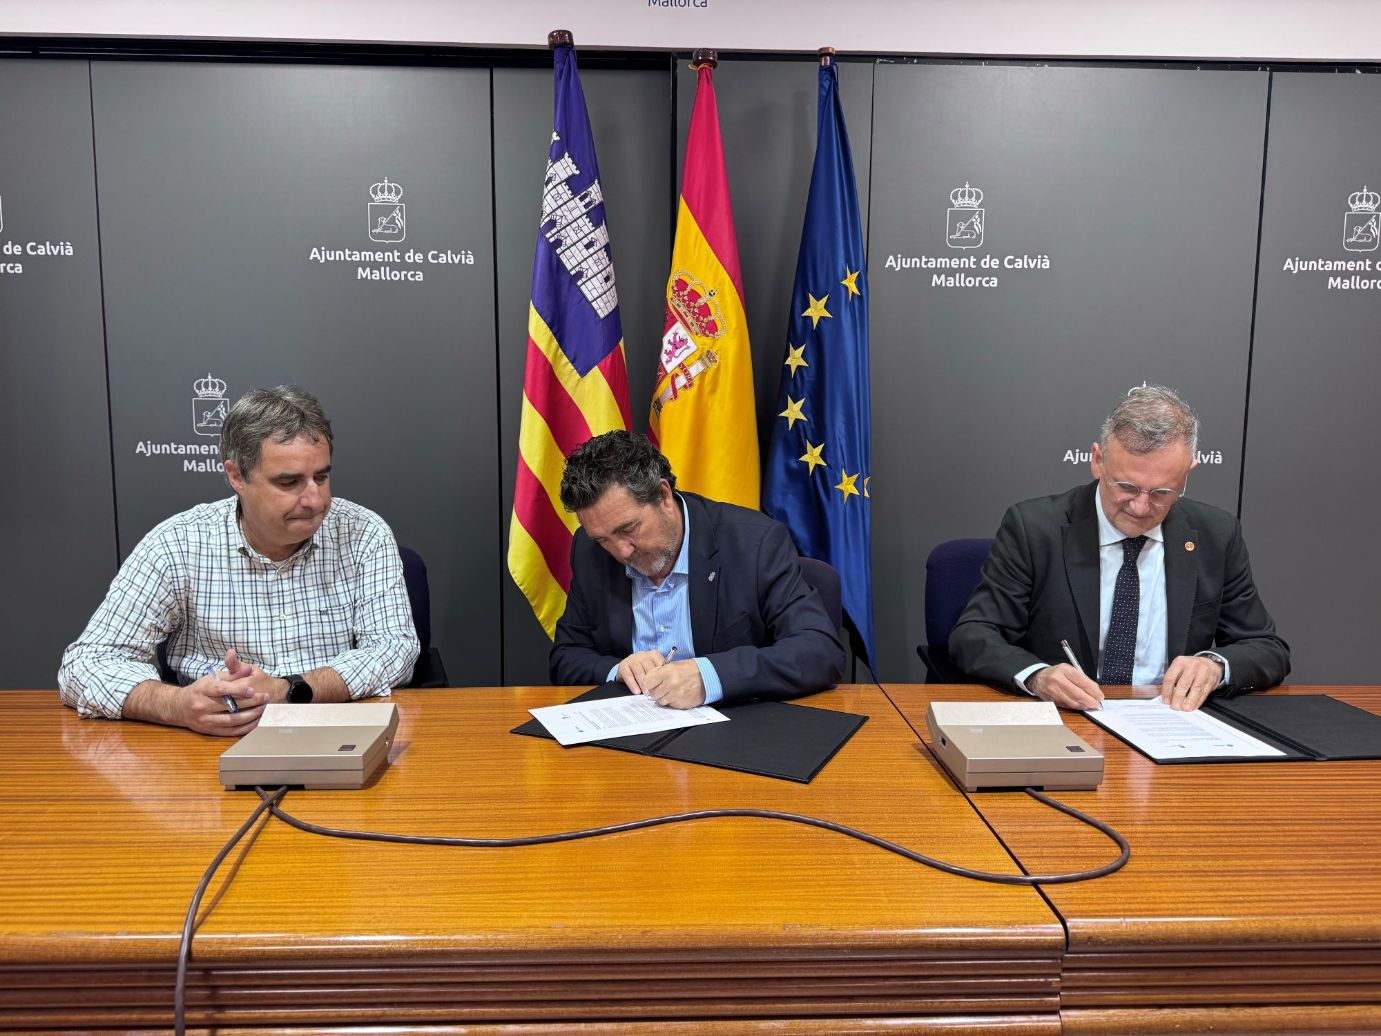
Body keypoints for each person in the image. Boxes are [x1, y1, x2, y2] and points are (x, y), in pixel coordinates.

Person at [58, 385, 419, 734]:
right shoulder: (178, 544)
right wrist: (177, 705)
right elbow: (86, 663)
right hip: (210, 741)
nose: (316, 500)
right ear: (236, 476)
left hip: (334, 730)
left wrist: (290, 689)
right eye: (289, 482)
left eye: (321, 477)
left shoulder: (364, 533)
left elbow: (394, 649)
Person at [949, 385, 1289, 712]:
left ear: (1187, 473)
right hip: (1067, 718)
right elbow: (975, 634)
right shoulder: (1035, 528)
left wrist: (1215, 665)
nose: (1140, 507)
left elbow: (1267, 648)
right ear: (1098, 460)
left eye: (1162, 493)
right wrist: (1038, 676)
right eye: (1127, 487)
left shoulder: (1216, 534)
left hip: (1170, 719)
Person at [550, 430, 844, 708]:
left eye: (629, 529)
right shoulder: (589, 551)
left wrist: (708, 676)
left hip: (734, 729)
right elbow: (565, 657)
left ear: (663, 495)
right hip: (631, 730)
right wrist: (619, 669)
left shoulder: (754, 543)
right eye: (603, 539)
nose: (621, 551)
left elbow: (819, 650)